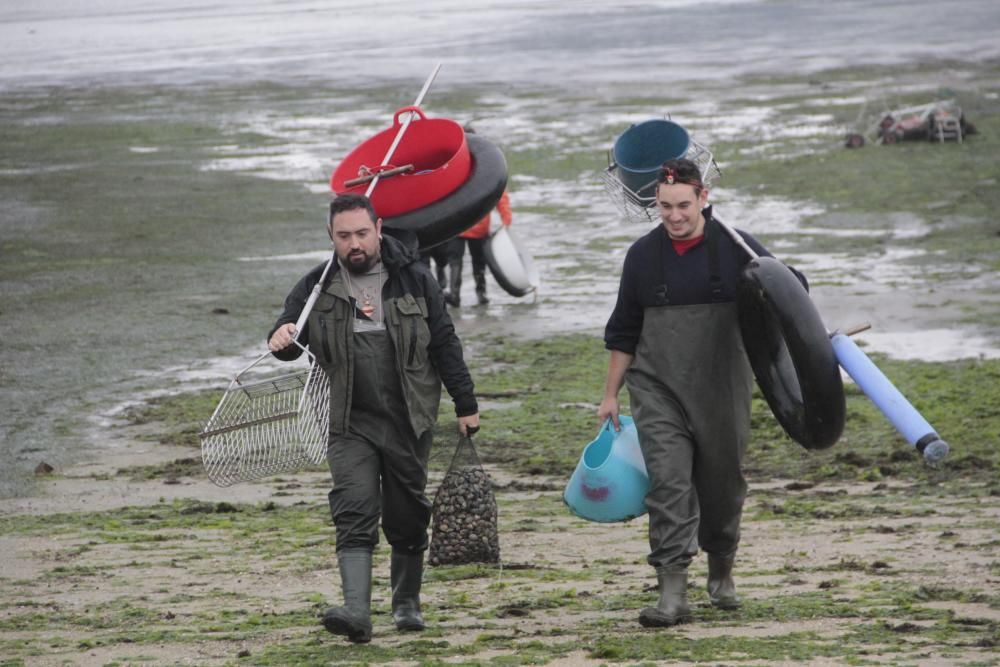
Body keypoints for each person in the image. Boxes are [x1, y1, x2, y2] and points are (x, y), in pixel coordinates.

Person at [597, 158, 807, 628]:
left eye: (683, 206)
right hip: (656, 386)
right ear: (656, 202)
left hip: (722, 384)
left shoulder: (736, 247)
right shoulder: (643, 256)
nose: (674, 216)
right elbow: (624, 330)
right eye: (665, 206)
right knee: (668, 483)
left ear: (703, 198)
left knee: (722, 482)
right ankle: (672, 592)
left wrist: (789, 299)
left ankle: (722, 568)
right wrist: (610, 394)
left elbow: (791, 290)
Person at [267, 193, 480, 644]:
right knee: (354, 509)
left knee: (406, 515)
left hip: (408, 417)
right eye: (344, 236)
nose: (354, 244)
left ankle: (405, 603)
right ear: (331, 237)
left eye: (362, 233)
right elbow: (287, 336)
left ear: (379, 228)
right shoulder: (315, 287)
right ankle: (358, 613)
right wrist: (279, 336)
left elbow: (444, 343)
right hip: (347, 420)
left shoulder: (414, 280)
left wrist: (465, 403)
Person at [442, 125, 513, 307]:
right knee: (478, 262)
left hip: (456, 226)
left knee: (455, 261)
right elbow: (500, 194)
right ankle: (482, 294)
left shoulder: (452, 165)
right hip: (479, 225)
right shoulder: (486, 165)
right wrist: (506, 220)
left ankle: (455, 296)